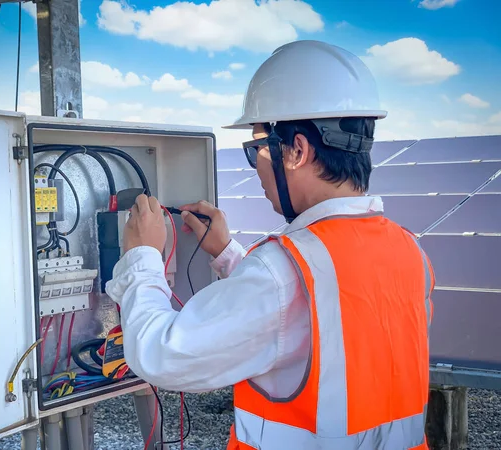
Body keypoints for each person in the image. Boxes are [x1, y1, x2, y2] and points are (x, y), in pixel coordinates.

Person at [105, 40, 435, 450]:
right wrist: (228, 256)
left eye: (256, 148)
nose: (257, 166)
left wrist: (142, 255)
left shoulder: (280, 271)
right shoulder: (408, 252)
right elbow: (317, 325)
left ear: (296, 151)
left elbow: (161, 355)